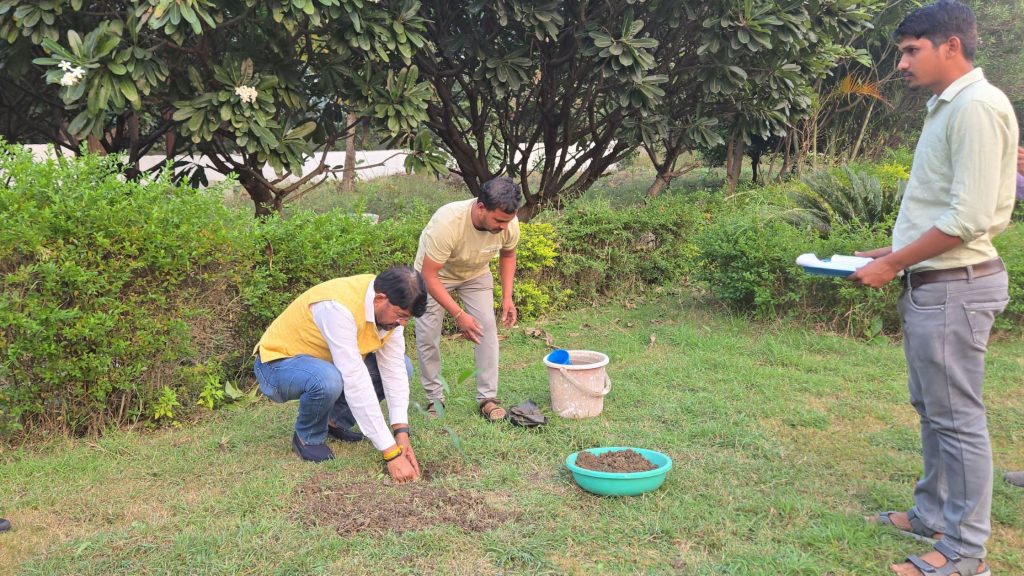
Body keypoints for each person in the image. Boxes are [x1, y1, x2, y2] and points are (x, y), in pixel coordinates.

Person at [850, 2, 1018, 575]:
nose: (900, 63)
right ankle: (933, 514)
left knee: (957, 420)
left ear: (951, 45)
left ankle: (966, 554)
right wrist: (891, 253)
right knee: (934, 409)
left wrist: (893, 264)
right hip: (938, 283)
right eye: (902, 51)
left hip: (955, 287)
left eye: (910, 50)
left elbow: (969, 218)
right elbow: (946, 204)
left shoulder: (974, 106)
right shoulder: (949, 106)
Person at [253, 265, 427, 483]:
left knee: (404, 365)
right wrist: (391, 453)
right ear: (380, 299)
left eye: (407, 319)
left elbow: (394, 370)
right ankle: (307, 438)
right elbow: (355, 379)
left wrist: (401, 433)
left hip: (326, 365)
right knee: (327, 379)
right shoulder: (336, 308)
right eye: (401, 316)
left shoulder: (389, 312)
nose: (402, 324)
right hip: (276, 366)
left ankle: (333, 422)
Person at [414, 177, 521, 421]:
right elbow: (429, 275)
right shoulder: (448, 223)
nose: (504, 227)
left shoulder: (509, 224)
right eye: (498, 220)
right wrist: (459, 314)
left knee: (487, 330)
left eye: (508, 221)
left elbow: (508, 254)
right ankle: (434, 398)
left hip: (475, 274)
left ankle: (487, 398)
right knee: (428, 336)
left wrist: (507, 297)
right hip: (435, 276)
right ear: (481, 207)